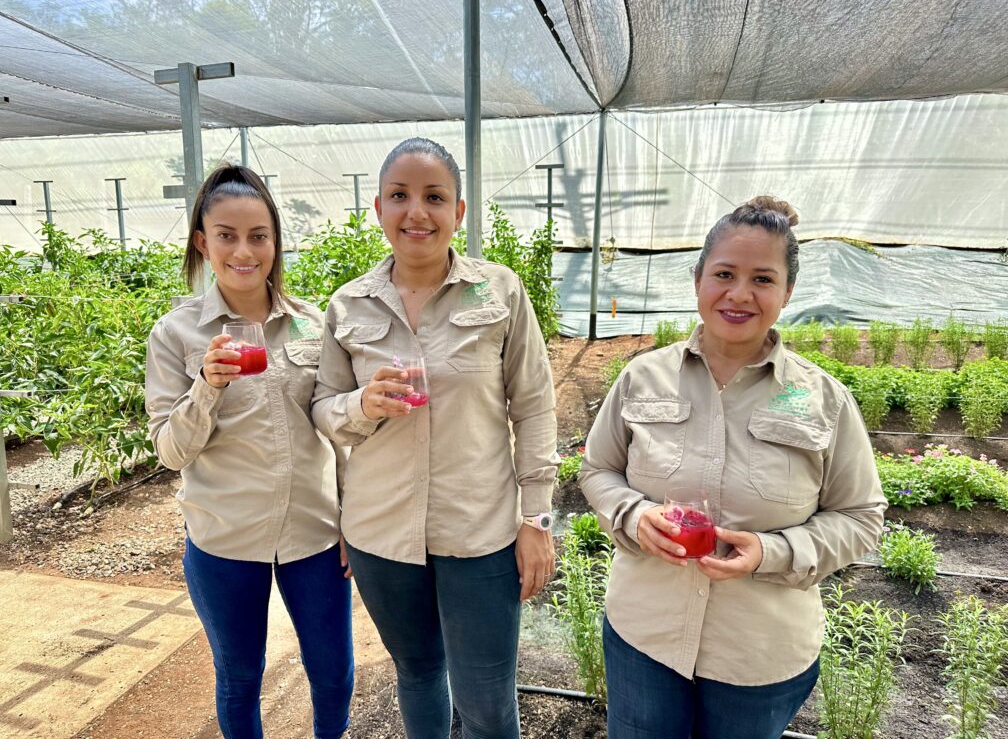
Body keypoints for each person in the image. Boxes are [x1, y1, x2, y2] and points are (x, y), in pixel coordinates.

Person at [579, 196, 887, 739]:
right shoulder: (642, 377)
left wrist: (773, 552)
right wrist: (633, 516)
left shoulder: (824, 399)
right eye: (724, 273)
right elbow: (598, 470)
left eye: (762, 279)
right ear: (697, 278)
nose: (739, 294)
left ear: (787, 292)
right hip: (644, 636)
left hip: (759, 654)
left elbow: (861, 516)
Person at [311, 137, 559, 739]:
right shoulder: (349, 305)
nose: (415, 211)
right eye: (400, 195)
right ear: (378, 208)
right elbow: (322, 408)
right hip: (381, 531)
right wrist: (362, 405)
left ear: (459, 212)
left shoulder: (499, 291)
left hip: (479, 531)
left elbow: (533, 406)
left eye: (434, 197)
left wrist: (538, 522)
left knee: (487, 698)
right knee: (418, 672)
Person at [145, 164, 353, 739]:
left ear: (275, 242)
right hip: (225, 540)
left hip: (315, 536)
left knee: (333, 674)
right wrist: (206, 386)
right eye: (227, 235)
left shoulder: (313, 325)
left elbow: (339, 432)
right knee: (240, 677)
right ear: (202, 243)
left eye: (259, 235)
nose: (244, 250)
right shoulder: (176, 334)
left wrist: (353, 520)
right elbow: (169, 449)